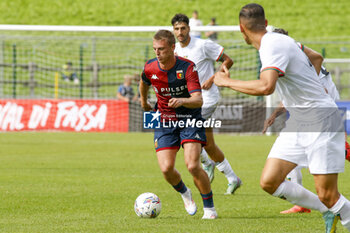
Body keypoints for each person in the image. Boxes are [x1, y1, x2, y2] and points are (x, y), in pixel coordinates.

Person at [214, 3, 350, 232]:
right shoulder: (283, 41)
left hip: (319, 120)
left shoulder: (271, 45)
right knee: (269, 181)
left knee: (328, 194)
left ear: (241, 29)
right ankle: (328, 209)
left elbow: (267, 87)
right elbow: (316, 57)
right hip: (299, 121)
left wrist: (225, 82)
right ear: (265, 23)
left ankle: (335, 208)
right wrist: (310, 90)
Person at [263, 27, 350, 215]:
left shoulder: (293, 54)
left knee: (341, 152)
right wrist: (274, 114)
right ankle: (306, 204)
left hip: (319, 112)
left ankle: (322, 205)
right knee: (285, 158)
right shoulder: (293, 54)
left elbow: (318, 85)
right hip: (306, 112)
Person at [139, 29, 218, 219]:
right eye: (155, 49)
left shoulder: (188, 67)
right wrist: (143, 101)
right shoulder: (150, 67)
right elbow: (144, 81)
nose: (157, 53)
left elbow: (198, 100)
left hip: (189, 118)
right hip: (164, 120)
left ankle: (209, 208)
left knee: (192, 165)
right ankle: (185, 193)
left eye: (161, 49)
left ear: (173, 48)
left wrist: (182, 101)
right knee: (166, 169)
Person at [171, 13, 242, 195]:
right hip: (190, 101)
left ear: (189, 28)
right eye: (177, 29)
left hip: (207, 98)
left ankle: (206, 164)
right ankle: (232, 178)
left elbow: (228, 60)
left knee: (186, 132)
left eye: (183, 28)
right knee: (208, 144)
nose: (180, 32)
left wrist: (213, 78)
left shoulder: (202, 45)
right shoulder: (175, 51)